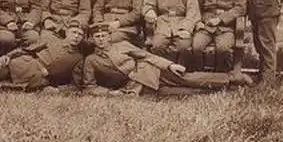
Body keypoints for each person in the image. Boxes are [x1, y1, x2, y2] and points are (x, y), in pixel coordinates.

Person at [83, 23, 253, 97]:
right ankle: (227, 90)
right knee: (181, 93)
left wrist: (170, 64)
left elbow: (148, 56)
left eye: (103, 36)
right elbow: (89, 86)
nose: (100, 39)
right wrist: (110, 93)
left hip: (151, 70)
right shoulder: (91, 60)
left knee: (187, 79)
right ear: (92, 40)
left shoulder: (122, 45)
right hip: (135, 86)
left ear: (109, 36)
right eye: (96, 37)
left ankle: (232, 78)